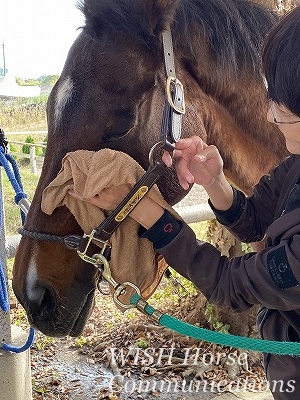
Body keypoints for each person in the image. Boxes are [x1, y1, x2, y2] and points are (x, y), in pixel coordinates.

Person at [68, 6, 300, 400]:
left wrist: (149, 214)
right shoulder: (295, 166)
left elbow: (231, 284)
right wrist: (216, 184)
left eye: (278, 104)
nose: (268, 114)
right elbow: (259, 220)